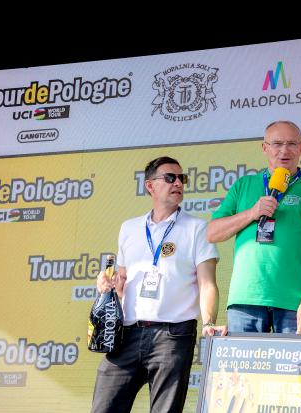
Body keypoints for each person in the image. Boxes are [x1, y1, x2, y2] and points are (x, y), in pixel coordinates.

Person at [91, 156, 226, 413]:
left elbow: (207, 283)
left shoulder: (198, 228)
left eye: (182, 178)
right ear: (150, 186)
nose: (178, 183)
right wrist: (108, 285)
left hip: (173, 335)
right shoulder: (129, 228)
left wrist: (209, 322)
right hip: (127, 332)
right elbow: (122, 283)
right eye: (170, 178)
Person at [207, 120, 301, 334]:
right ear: (264, 147)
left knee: (296, 358)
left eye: (292, 144)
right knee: (242, 358)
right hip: (245, 299)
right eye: (277, 143)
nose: (284, 151)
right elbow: (212, 233)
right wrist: (251, 213)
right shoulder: (244, 185)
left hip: (294, 303)